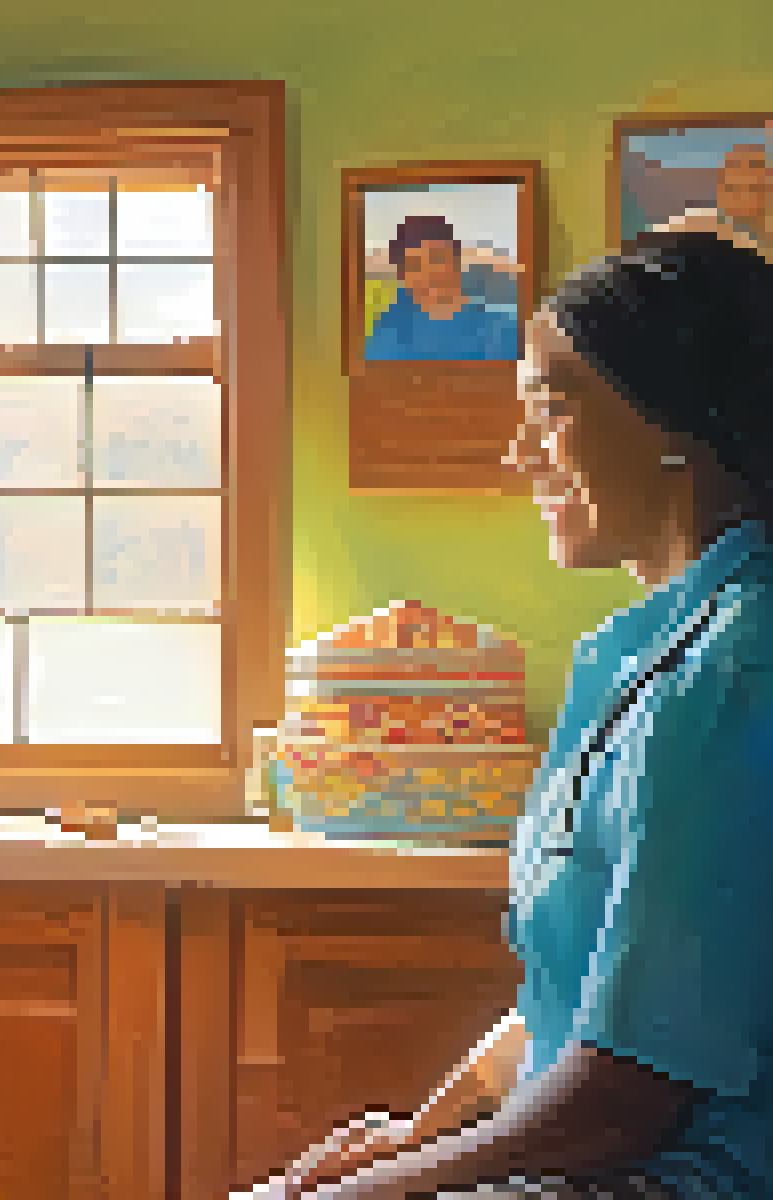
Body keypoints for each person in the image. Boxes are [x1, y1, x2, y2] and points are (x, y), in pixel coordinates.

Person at [265, 229, 773, 1200]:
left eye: (549, 407)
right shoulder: (655, 650)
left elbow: (626, 1095)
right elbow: (572, 1011)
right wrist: (415, 1138)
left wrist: (376, 1191)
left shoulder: (734, 669)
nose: (518, 452)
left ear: (668, 414)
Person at [364, 215, 521, 362]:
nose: (428, 274)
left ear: (456, 259)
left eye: (436, 259)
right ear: (402, 276)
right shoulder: (389, 332)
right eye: (415, 266)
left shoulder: (503, 330)